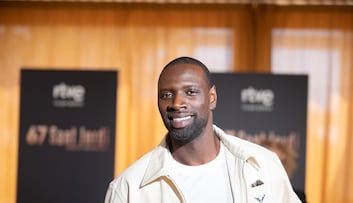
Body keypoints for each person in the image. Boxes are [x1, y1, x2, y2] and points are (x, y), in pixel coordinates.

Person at [104, 56, 301, 203]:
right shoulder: (128, 188)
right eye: (166, 95)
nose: (177, 103)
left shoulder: (262, 164)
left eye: (190, 92)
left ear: (212, 98)